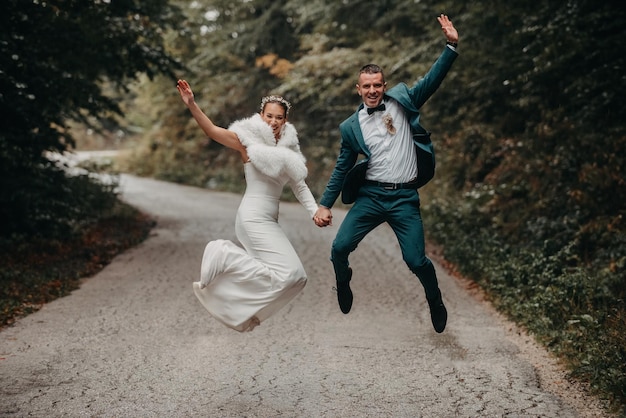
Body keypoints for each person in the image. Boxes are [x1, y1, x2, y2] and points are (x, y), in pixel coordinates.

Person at [312, 14, 459, 333]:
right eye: (367, 86)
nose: (373, 90)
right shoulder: (350, 127)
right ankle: (343, 281)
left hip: (404, 198)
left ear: (384, 86)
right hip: (371, 197)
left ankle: (434, 299)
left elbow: (431, 81)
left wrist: (450, 46)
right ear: (358, 89)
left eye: (377, 85)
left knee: (416, 261)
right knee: (338, 249)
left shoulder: (403, 101)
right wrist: (324, 204)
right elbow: (342, 166)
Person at [177, 79, 324, 332]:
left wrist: (314, 211)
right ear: (261, 116)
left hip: (269, 220)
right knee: (289, 274)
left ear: (285, 121)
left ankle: (244, 311)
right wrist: (192, 104)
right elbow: (212, 130)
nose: (274, 121)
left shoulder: (289, 150)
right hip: (252, 217)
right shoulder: (248, 143)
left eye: (279, 117)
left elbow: (299, 185)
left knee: (296, 277)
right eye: (269, 116)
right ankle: (223, 253)